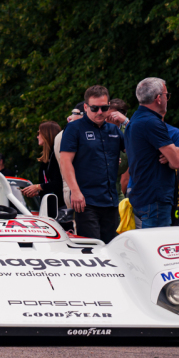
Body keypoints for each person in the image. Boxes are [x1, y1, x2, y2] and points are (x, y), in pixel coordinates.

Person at [58, 85, 127, 243]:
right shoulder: (74, 128)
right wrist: (75, 191)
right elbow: (65, 161)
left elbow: (136, 149)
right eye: (95, 108)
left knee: (111, 247)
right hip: (86, 201)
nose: (100, 112)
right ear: (85, 107)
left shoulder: (114, 130)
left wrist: (163, 154)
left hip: (110, 200)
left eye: (104, 108)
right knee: (93, 247)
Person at [126, 78, 179, 229]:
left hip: (142, 194)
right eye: (167, 95)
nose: (167, 99)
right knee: (157, 242)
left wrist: (172, 154)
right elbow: (178, 162)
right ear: (158, 98)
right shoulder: (152, 122)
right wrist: (176, 151)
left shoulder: (134, 120)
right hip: (155, 198)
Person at [21, 121, 63, 204]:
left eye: (39, 133)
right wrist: (39, 192)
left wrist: (38, 187)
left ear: (46, 135)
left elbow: (59, 183)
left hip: (59, 206)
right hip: (51, 205)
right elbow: (50, 185)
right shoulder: (47, 158)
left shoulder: (57, 156)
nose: (37, 137)